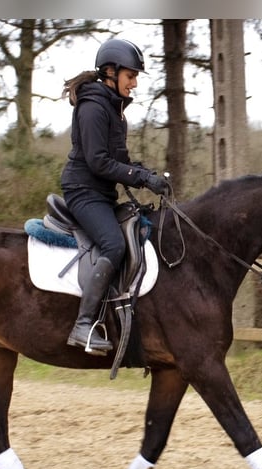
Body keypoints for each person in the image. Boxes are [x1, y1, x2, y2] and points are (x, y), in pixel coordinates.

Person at [60, 37, 169, 355]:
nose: (134, 83)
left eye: (135, 77)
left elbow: (119, 162)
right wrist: (140, 177)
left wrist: (150, 177)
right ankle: (83, 325)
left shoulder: (115, 110)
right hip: (83, 191)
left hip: (102, 193)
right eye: (130, 75)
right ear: (111, 72)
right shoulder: (93, 107)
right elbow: (98, 162)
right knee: (114, 244)